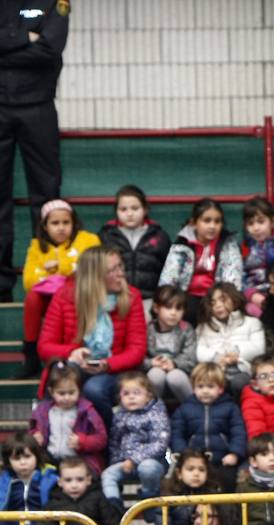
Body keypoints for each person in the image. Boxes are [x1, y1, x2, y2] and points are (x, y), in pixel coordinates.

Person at [0, 0, 69, 300]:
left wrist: (4, 46)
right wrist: (24, 41)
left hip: (38, 107)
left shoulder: (54, 2)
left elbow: (50, 49)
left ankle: (49, 277)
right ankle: (1, 285)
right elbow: (36, 49)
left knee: (46, 195)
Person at [37, 246, 147, 427]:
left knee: (94, 389)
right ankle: (48, 439)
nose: (121, 274)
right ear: (95, 276)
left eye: (121, 267)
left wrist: (107, 364)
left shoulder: (131, 296)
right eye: (113, 270)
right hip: (77, 366)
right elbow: (45, 346)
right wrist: (73, 352)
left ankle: (109, 441)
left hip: (115, 370)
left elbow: (137, 350)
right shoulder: (64, 296)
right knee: (59, 379)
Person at [20, 199, 99, 364]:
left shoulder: (88, 240)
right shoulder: (36, 247)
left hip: (79, 298)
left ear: (74, 223)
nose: (61, 227)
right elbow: (29, 281)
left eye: (66, 222)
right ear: (45, 226)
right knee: (32, 297)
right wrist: (66, 272)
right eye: (55, 223)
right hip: (51, 302)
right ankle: (31, 353)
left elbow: (89, 269)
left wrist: (57, 268)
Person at [157, 197, 243, 323]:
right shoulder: (182, 244)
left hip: (216, 298)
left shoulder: (227, 244)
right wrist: (167, 299)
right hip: (186, 296)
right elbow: (169, 276)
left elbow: (233, 277)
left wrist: (222, 299)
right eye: (207, 221)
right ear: (194, 222)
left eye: (217, 221)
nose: (212, 226)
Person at [170, 362, 246, 486]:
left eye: (210, 386)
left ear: (220, 388)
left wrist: (234, 453)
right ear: (193, 388)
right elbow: (177, 433)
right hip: (194, 461)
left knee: (228, 479)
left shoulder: (230, 408)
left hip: (222, 460)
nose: (205, 391)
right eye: (200, 386)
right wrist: (182, 452)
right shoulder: (185, 409)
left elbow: (238, 432)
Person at [101, 370, 169, 505]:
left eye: (136, 393)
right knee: (108, 475)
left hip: (153, 462)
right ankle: (114, 507)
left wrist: (134, 460)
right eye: (126, 394)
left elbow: (160, 444)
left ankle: (149, 500)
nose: (131, 397)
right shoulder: (119, 416)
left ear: (148, 396)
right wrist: (116, 462)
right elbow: (115, 442)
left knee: (147, 468)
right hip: (125, 463)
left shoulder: (156, 414)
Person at [30, 360, 105, 475]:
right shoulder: (42, 411)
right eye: (61, 393)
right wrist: (36, 435)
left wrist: (83, 441)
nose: (67, 397)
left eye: (71, 393)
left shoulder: (87, 412)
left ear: (79, 390)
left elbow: (101, 439)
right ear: (51, 392)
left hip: (78, 460)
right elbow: (33, 429)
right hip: (51, 459)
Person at [195, 282, 265, 394]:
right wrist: (217, 357)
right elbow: (199, 350)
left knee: (239, 382)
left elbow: (259, 348)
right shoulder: (204, 327)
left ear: (234, 299)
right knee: (210, 382)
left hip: (243, 369)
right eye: (213, 303)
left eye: (222, 300)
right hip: (215, 369)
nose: (217, 305)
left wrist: (236, 353)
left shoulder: (252, 323)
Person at [0, 432, 56, 525]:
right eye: (17, 458)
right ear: (8, 461)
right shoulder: (4, 480)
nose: (23, 462)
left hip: (40, 524)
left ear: (37, 456)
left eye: (27, 456)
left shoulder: (48, 477)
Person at [237, 194, 274, 316]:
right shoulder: (245, 249)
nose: (256, 228)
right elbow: (240, 275)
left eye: (261, 222)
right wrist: (251, 294)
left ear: (272, 222)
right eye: (251, 224)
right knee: (250, 311)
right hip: (254, 296)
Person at [142, 286, 195, 403]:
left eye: (178, 309)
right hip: (154, 371)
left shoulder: (186, 329)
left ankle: (194, 409)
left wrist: (174, 363)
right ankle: (153, 410)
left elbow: (190, 358)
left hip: (179, 372)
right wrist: (151, 363)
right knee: (156, 375)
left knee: (175, 377)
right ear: (156, 308)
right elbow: (139, 357)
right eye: (168, 307)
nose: (173, 313)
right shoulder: (148, 329)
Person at [240, 355, 274, 439]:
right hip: (268, 448)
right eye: (264, 376)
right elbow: (257, 436)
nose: (271, 380)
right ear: (255, 384)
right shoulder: (251, 403)